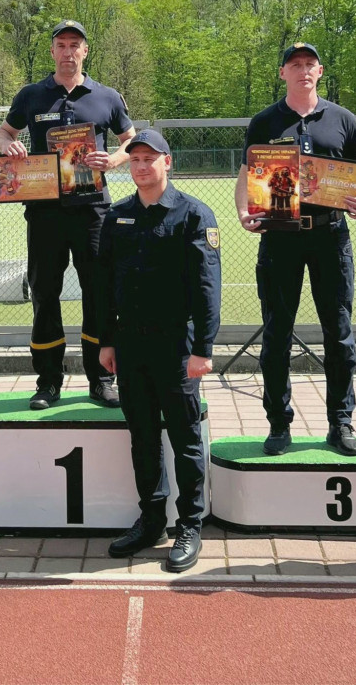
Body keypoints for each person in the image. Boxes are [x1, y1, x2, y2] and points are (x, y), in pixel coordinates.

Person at [235, 42, 356, 457]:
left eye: (310, 64)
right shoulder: (265, 121)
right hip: (279, 237)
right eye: (295, 64)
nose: (303, 70)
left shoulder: (342, 119)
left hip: (330, 236)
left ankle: (341, 422)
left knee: (339, 333)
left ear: (320, 71)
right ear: (283, 73)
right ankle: (278, 424)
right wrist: (244, 210)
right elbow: (247, 174)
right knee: (276, 334)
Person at [0, 19, 136, 410]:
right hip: (45, 214)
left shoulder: (107, 97)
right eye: (61, 44)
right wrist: (8, 146)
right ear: (53, 51)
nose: (68, 51)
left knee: (99, 294)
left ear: (85, 51)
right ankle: (48, 382)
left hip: (93, 212)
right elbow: (4, 133)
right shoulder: (31, 95)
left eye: (75, 44)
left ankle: (101, 380)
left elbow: (131, 140)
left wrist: (115, 160)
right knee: (44, 295)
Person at [98, 130, 221, 573]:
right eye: (135, 159)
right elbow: (103, 284)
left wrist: (203, 349)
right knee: (143, 437)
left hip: (177, 346)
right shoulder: (118, 215)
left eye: (150, 159)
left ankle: (189, 524)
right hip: (131, 344)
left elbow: (207, 287)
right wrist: (106, 340)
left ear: (168, 162)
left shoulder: (194, 215)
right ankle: (151, 520)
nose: (141, 166)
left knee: (185, 438)